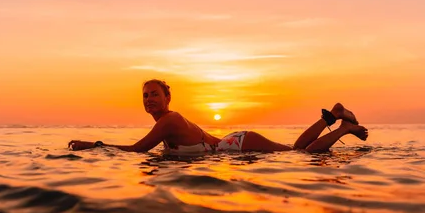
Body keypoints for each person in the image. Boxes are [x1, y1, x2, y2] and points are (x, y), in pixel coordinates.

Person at [68, 79, 368, 154]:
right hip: (232, 144)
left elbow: (137, 150)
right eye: (145, 95)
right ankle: (334, 115)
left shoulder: (170, 120)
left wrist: (93, 145)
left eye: (154, 94)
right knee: (295, 152)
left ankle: (343, 129)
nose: (149, 99)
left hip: (234, 146)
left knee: (300, 155)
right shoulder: (165, 123)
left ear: (167, 98)